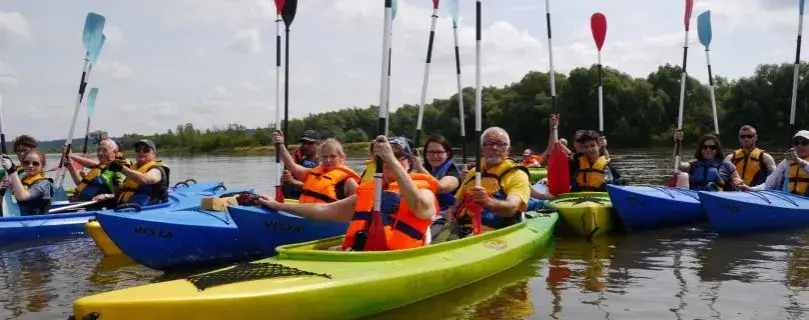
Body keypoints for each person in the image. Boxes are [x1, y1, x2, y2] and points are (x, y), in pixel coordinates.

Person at [259, 136, 439, 251]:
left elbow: (420, 208)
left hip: (398, 260)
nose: (386, 160)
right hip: (357, 256)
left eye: (397, 155)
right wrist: (277, 206)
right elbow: (323, 210)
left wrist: (391, 159)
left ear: (409, 161)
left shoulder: (424, 191)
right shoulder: (368, 192)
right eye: (382, 157)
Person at [438, 127, 531, 238]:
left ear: (508, 150)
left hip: (493, 231)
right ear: (482, 149)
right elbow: (456, 204)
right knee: (434, 233)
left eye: (501, 144)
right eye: (489, 143)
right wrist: (450, 212)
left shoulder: (517, 174)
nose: (494, 148)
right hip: (461, 226)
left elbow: (511, 208)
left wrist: (487, 201)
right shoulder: (474, 172)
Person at [273, 131, 359, 203]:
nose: (328, 160)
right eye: (325, 157)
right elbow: (293, 167)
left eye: (333, 156)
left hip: (331, 221)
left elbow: (356, 210)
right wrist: (281, 145)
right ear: (321, 157)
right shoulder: (314, 172)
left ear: (342, 157)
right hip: (308, 215)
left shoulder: (349, 182)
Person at [546, 115, 624, 192]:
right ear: (581, 148)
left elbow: (622, 184)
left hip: (601, 201)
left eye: (592, 145)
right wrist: (553, 130)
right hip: (577, 200)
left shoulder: (606, 165)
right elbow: (552, 152)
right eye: (585, 147)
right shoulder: (575, 162)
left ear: (599, 145)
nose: (589, 149)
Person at [91, 139, 170, 207]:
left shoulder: (157, 169)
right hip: (125, 208)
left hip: (146, 210)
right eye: (138, 150)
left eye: (146, 150)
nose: (141, 152)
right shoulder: (134, 169)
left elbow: (145, 179)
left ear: (154, 153)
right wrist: (115, 182)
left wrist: (120, 167)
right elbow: (120, 191)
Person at [672, 129, 743, 191]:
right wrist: (678, 143)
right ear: (701, 149)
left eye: (712, 147)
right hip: (694, 199)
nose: (708, 150)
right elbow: (677, 165)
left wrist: (737, 182)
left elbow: (738, 181)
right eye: (704, 147)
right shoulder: (694, 165)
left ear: (717, 150)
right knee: (682, 175)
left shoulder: (727, 165)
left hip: (716, 199)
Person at [745, 130, 809, 195]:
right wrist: (751, 189)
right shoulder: (786, 162)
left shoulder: (797, 160)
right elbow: (769, 183)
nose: (799, 146)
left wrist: (798, 161)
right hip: (790, 200)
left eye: (804, 143)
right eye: (796, 143)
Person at [63, 139, 125, 204]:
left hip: (98, 206)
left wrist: (106, 196)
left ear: (114, 152)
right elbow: (80, 184)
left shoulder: (120, 169)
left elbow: (122, 193)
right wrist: (70, 167)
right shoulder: (99, 167)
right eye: (98, 150)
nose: (100, 153)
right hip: (79, 201)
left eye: (105, 150)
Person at [412, 135, 461, 211]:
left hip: (446, 215)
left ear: (447, 154)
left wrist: (420, 168)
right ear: (426, 154)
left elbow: (440, 188)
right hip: (426, 212)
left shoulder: (452, 173)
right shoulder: (424, 168)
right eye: (431, 152)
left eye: (439, 152)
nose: (435, 156)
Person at [1, 149, 54, 215]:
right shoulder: (21, 180)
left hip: (37, 222)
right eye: (26, 163)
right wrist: (3, 191)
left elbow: (22, 196)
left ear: (42, 167)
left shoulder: (44, 183)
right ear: (22, 165)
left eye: (35, 163)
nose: (30, 166)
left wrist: (12, 170)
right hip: (19, 219)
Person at [280, 130, 322, 199]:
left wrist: (293, 182)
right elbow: (291, 165)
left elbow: (315, 188)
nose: (305, 146)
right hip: (288, 199)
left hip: (306, 202)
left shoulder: (323, 164)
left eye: (310, 143)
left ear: (318, 144)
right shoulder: (298, 158)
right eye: (303, 142)